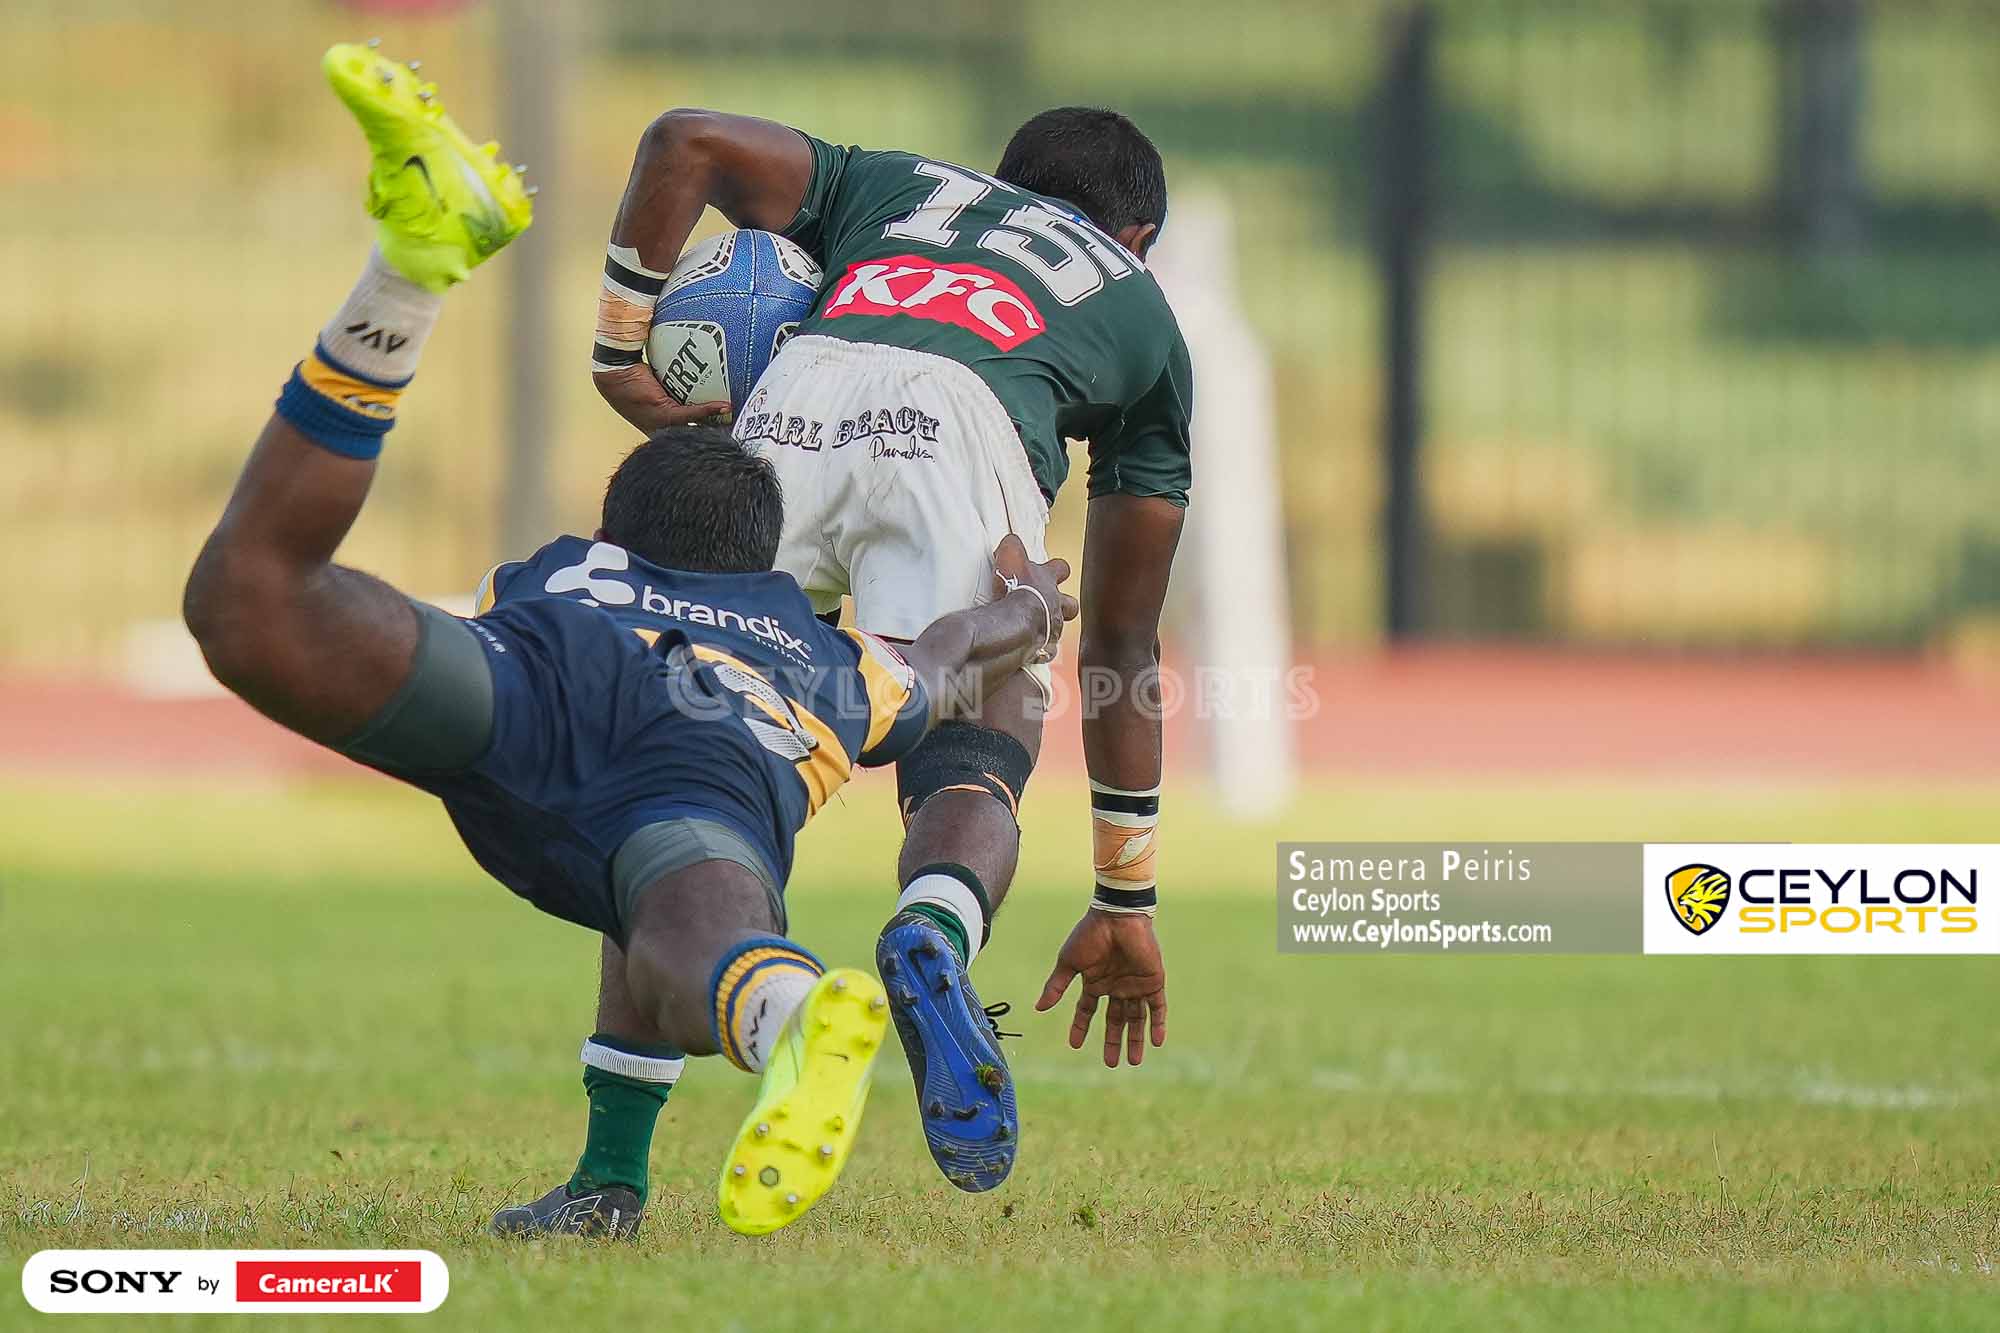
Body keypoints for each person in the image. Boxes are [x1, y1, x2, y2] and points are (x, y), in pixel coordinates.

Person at [181, 43, 1075, 1239]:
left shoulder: (568, 569)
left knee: (251, 600)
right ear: (765, 565)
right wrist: (1027, 612)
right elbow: (944, 658)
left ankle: (404, 280)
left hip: (532, 685)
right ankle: (790, 1016)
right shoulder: (817, 657)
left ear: (618, 527)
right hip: (701, 773)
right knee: (692, 936)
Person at [523, 103, 1192, 1231]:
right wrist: (1123, 895)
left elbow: (685, 139)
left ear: (997, 179)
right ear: (1138, 240)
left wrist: (617, 351)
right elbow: (1123, 642)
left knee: (681, 780)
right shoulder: (1141, 310)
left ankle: (607, 1179)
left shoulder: (903, 187)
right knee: (976, 732)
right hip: (963, 433)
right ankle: (934, 923)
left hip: (792, 398)